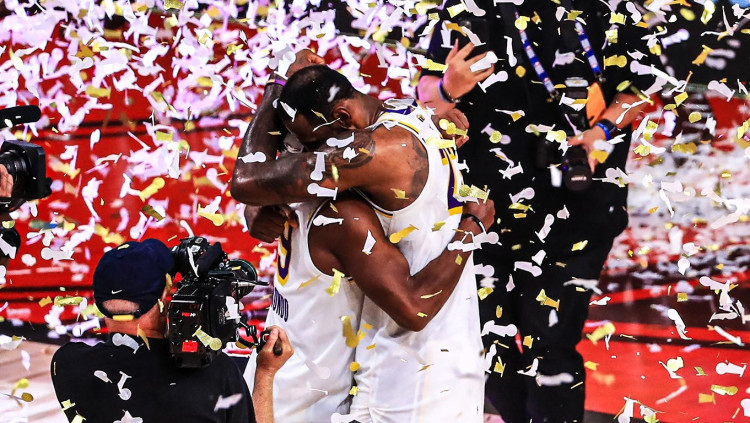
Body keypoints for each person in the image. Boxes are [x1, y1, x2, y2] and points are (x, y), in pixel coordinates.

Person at [417, 1, 665, 422]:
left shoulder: (609, 9)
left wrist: (600, 132)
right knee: (484, 343)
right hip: (482, 211)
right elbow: (426, 93)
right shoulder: (465, 9)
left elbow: (640, 91)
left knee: (550, 347)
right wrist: (446, 90)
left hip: (576, 211)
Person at [231, 53, 488, 422]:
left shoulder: (359, 176)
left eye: (316, 141)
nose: (319, 153)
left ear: (341, 119)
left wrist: (472, 230)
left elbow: (250, 180)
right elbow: (259, 184)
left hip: (416, 370)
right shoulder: (403, 114)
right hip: (361, 367)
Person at [243, 192, 494, 422]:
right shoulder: (345, 216)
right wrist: (472, 228)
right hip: (300, 406)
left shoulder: (297, 190)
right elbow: (415, 309)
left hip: (274, 382)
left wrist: (255, 200)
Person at [50, 239, 293, 423]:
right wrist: (266, 373)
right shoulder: (217, 374)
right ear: (164, 299)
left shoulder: (67, 365)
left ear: (99, 303)